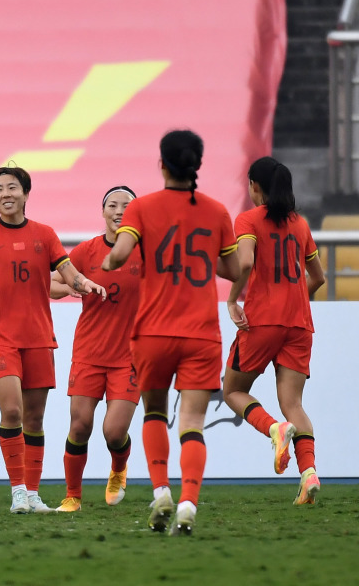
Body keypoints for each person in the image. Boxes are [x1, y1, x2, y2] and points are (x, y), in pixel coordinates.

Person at [103, 130, 239, 536]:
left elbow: (120, 253)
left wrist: (110, 262)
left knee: (155, 413)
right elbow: (235, 269)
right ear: (197, 165)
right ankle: (188, 503)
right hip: (201, 333)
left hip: (153, 333)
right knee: (192, 422)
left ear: (161, 164)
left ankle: (161, 490)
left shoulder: (141, 208)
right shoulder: (217, 212)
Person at [0, 165, 105, 514]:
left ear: (25, 193)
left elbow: (68, 272)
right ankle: (18, 492)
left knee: (35, 420)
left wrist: (85, 283)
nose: (5, 194)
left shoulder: (45, 234)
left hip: (38, 337)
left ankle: (34, 495)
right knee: (11, 411)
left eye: (12, 187)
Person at [223, 157, 325, 505]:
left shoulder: (248, 219)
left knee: (233, 390)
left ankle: (273, 429)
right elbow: (318, 278)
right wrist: (294, 299)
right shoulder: (300, 224)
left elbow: (246, 261)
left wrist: (233, 300)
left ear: (255, 186)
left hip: (262, 321)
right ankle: (309, 474)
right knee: (294, 404)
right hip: (299, 324)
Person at [50, 186, 141, 513]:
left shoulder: (148, 253)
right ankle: (72, 496)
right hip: (89, 353)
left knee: (114, 432)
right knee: (80, 426)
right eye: (112, 205)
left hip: (130, 357)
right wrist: (72, 288)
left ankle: (118, 469)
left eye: (126, 206)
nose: (119, 211)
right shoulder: (86, 251)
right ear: (103, 211)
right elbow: (50, 283)